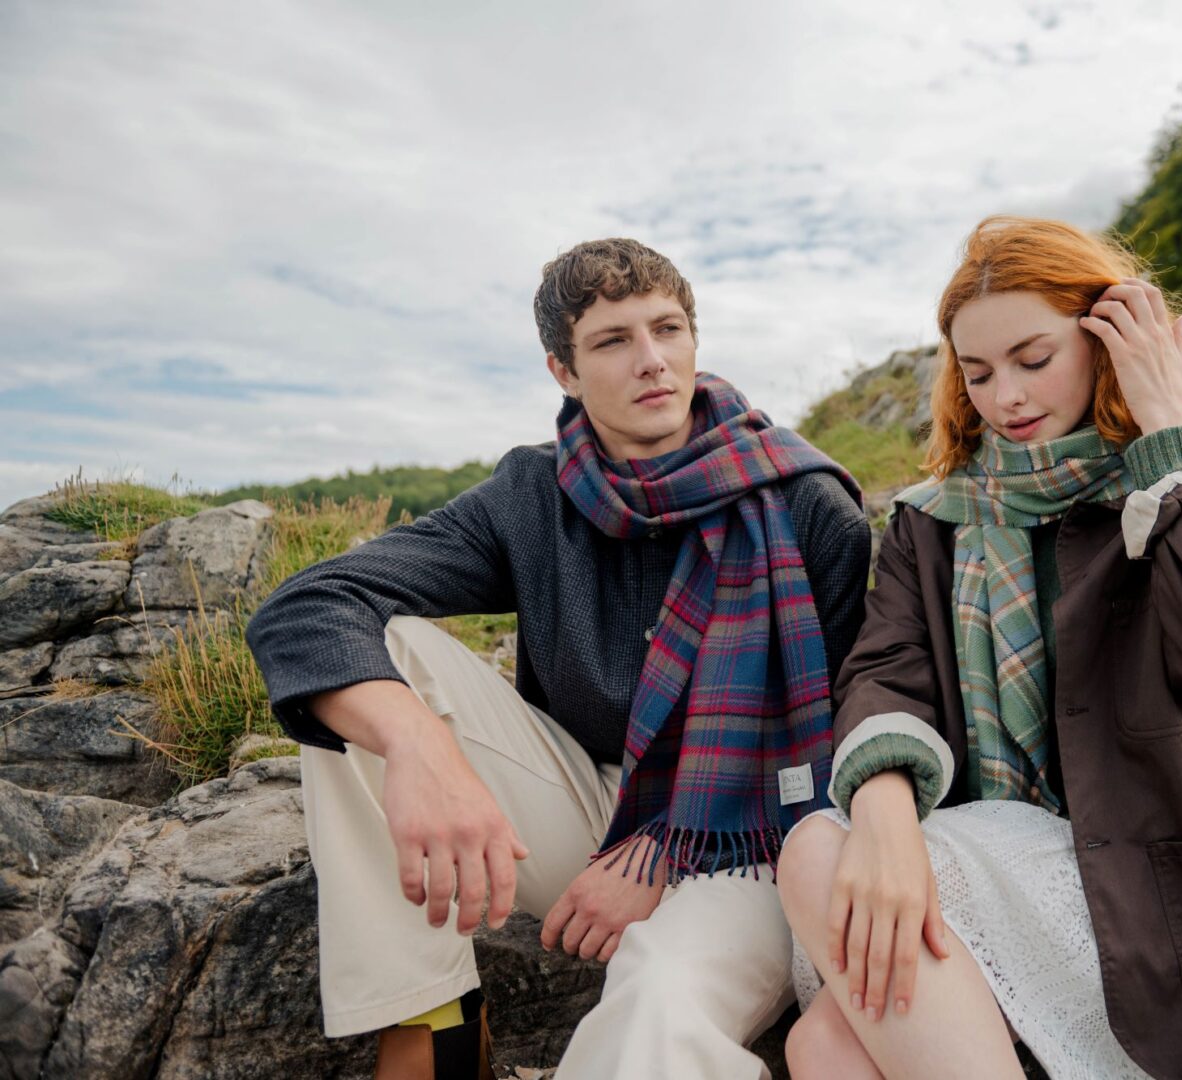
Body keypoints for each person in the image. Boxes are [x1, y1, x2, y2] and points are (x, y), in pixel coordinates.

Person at [245, 237, 871, 1080]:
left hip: (756, 838)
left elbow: (834, 751)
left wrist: (661, 854)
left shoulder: (809, 505)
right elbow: (307, 608)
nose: (652, 362)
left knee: (657, 1003)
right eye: (614, 341)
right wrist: (420, 747)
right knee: (385, 655)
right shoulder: (533, 495)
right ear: (564, 372)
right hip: (589, 807)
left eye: (668, 329)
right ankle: (433, 1026)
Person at [773, 216, 1182, 1080]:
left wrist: (1166, 424)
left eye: (1033, 358)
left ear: (1104, 342)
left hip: (1140, 882)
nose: (1005, 396)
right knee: (820, 1041)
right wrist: (886, 817)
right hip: (970, 870)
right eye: (977, 373)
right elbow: (885, 672)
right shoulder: (929, 521)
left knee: (818, 933)